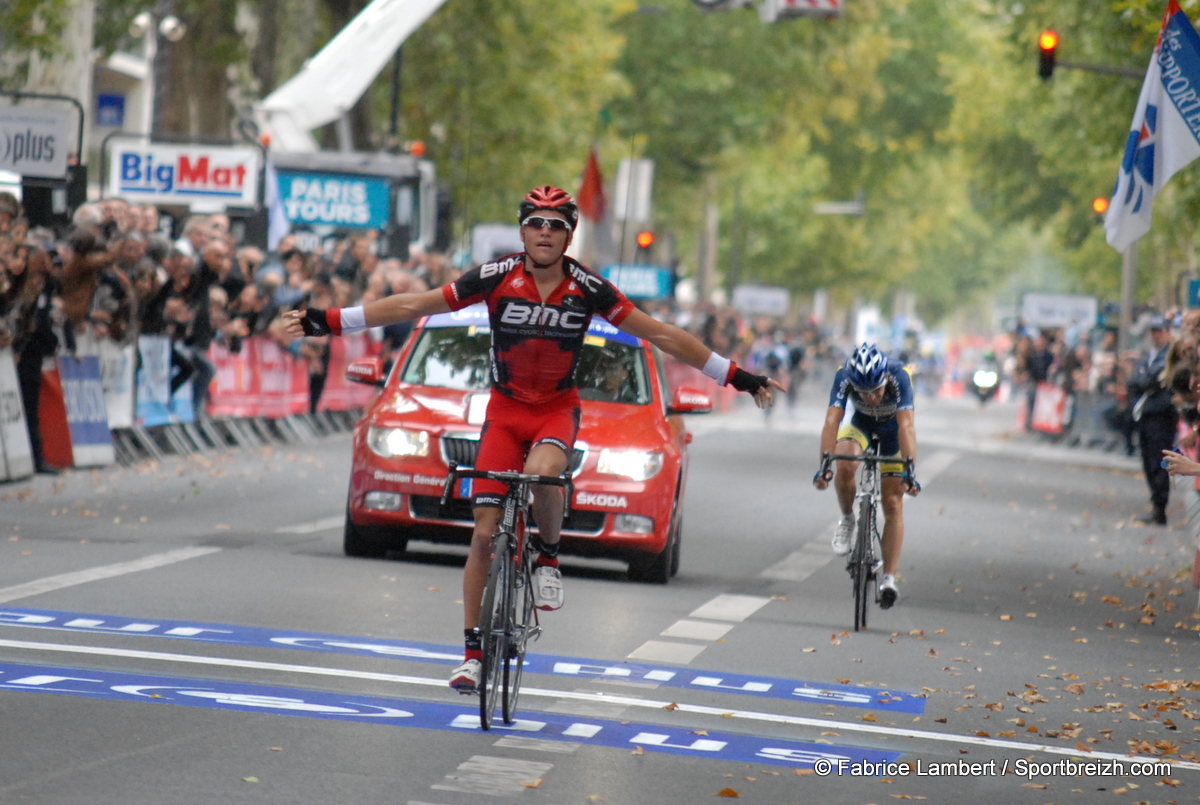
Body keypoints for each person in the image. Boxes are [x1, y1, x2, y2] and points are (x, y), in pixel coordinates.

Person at [283, 186, 782, 693]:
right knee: (482, 535)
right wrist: (329, 321)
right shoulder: (496, 277)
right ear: (523, 230)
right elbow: (416, 303)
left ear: (569, 235)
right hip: (503, 411)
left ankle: (546, 553)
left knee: (543, 472)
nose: (545, 232)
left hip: (555, 410)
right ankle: (472, 656)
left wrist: (737, 376)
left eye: (557, 225)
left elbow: (663, 335)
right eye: (536, 223)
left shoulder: (589, 288)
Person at [813, 343, 920, 609]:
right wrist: (824, 464)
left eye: (877, 391)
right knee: (845, 463)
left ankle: (889, 579)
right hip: (860, 424)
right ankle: (848, 519)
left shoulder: (900, 376)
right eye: (863, 392)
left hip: (892, 431)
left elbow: (906, 426)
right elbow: (831, 421)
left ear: (885, 379)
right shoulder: (843, 376)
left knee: (893, 503)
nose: (871, 398)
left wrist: (910, 471)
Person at [1125, 316, 1177, 525]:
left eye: (1159, 331)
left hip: (1161, 416)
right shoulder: (1148, 356)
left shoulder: (1170, 356)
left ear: (1167, 332)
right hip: (1145, 415)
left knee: (1158, 462)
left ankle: (1160, 507)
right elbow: (1135, 381)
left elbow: (1157, 381)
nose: (1155, 335)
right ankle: (1155, 502)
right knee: (1147, 461)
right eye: (1153, 331)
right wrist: (1146, 383)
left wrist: (1147, 383)